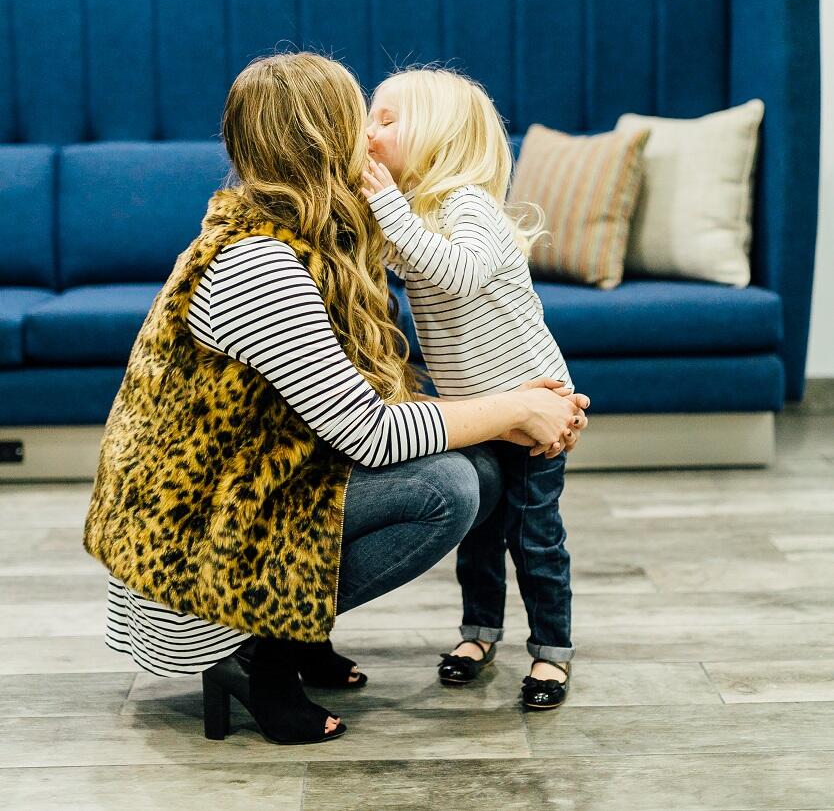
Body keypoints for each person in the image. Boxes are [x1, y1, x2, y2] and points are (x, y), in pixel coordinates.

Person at [83, 53, 589, 746]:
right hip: (198, 541)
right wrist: (519, 408)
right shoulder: (258, 262)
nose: (371, 133)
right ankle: (258, 653)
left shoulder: (322, 232)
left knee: (482, 470)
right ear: (323, 139)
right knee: (449, 488)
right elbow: (371, 434)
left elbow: (354, 396)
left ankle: (298, 629)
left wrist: (527, 400)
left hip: (259, 480)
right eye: (361, 116)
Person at [364, 67, 577, 710]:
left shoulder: (468, 206)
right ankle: (480, 632)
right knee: (480, 530)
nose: (368, 133)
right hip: (477, 412)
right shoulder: (418, 216)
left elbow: (456, 274)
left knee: (533, 536)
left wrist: (387, 208)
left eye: (386, 120)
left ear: (436, 136)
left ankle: (552, 652)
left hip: (533, 404)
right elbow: (387, 262)